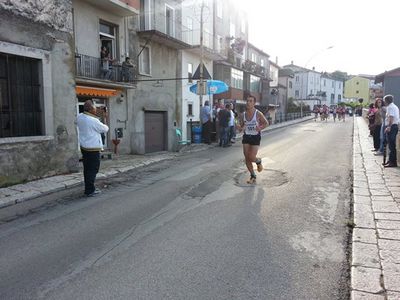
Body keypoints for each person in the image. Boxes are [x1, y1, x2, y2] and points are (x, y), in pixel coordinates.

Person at [77, 100, 109, 196]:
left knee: (87, 169)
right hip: (93, 149)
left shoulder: (79, 117)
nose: (96, 109)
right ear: (90, 109)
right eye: (94, 108)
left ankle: (88, 188)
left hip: (84, 147)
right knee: (93, 169)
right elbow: (105, 129)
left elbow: (90, 123)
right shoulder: (93, 120)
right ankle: (90, 190)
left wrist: (97, 115)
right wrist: (104, 118)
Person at [237, 95, 269, 184]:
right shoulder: (243, 114)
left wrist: (260, 128)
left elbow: (266, 123)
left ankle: (258, 161)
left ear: (254, 103)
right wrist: (239, 127)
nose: (248, 102)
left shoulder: (258, 113)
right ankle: (253, 176)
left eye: (250, 101)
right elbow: (240, 125)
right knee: (247, 158)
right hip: (246, 136)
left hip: (255, 137)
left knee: (251, 157)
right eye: (247, 101)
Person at [383, 95, 399, 167]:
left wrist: (389, 127)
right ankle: (390, 160)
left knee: (391, 145)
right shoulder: (394, 106)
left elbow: (391, 117)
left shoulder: (390, 107)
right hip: (394, 126)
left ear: (386, 101)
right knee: (391, 145)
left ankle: (392, 162)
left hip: (392, 127)